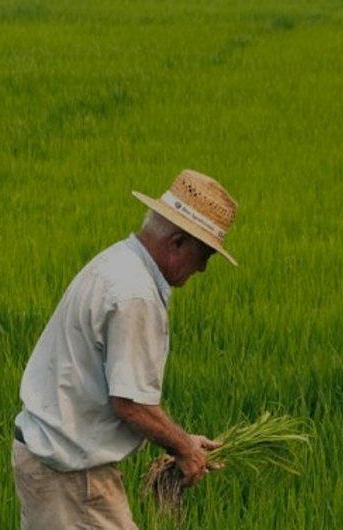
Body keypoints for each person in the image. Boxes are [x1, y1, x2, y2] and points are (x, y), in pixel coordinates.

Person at [12, 169, 239, 529]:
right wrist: (183, 448)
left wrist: (180, 442)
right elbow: (130, 403)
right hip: (70, 478)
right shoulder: (135, 293)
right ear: (178, 242)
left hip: (54, 462)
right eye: (204, 255)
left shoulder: (119, 262)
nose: (203, 269)